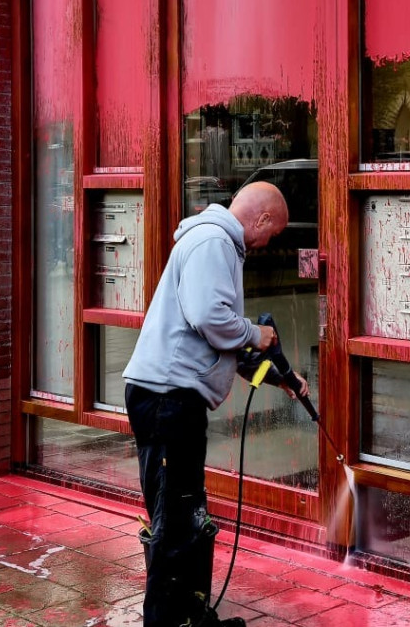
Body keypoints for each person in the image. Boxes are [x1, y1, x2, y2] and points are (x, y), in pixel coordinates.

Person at [122, 181, 306, 627]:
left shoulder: (214, 241)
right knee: (174, 520)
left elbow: (209, 336)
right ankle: (166, 622)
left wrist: (274, 374)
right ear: (260, 219)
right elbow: (210, 318)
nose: (269, 243)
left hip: (169, 397)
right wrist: (254, 333)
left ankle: (190, 616)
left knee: (186, 513)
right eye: (274, 233)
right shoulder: (213, 242)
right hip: (169, 399)